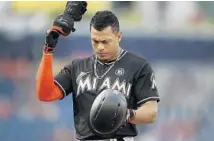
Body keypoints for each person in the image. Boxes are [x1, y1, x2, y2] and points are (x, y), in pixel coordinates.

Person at [36, 7, 160, 141]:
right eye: (95, 41)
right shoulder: (77, 66)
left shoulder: (138, 66)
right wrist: (48, 51)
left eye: (105, 41)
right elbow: (45, 94)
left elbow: (151, 112)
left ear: (119, 36)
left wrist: (126, 114)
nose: (100, 47)